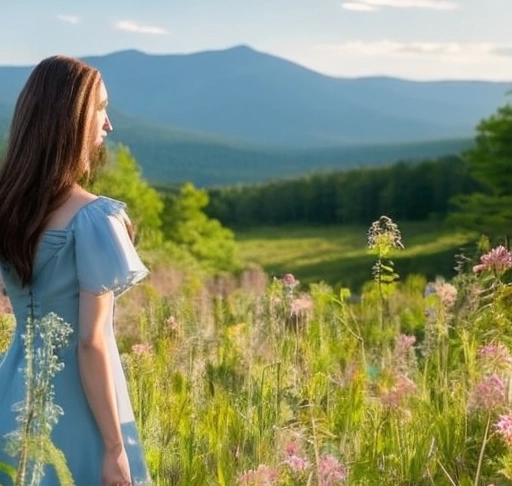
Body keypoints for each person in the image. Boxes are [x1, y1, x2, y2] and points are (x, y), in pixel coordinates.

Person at [0, 56, 152, 486]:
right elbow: (90, 342)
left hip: (10, 393)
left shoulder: (9, 210)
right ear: (72, 119)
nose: (109, 125)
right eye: (101, 108)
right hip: (77, 409)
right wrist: (114, 448)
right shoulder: (95, 219)